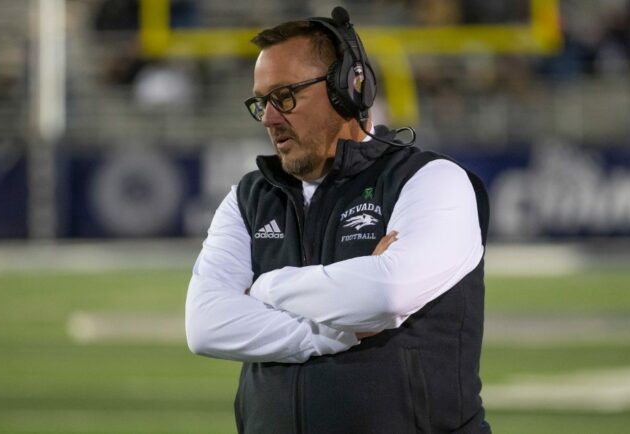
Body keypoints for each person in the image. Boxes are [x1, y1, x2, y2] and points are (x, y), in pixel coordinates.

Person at [185, 7, 491, 433]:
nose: (271, 118)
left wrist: (265, 287)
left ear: (348, 89)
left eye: (286, 96)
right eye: (262, 102)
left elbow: (387, 292)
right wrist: (336, 331)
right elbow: (205, 325)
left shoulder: (431, 180)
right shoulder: (249, 197)